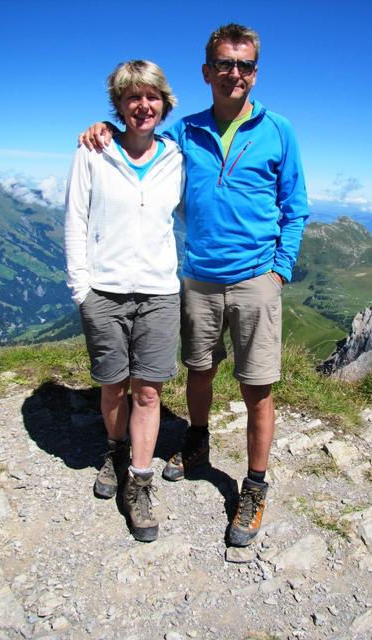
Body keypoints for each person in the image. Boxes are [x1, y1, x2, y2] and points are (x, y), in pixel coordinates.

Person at [80, 24, 309, 547]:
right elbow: (142, 140)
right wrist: (106, 128)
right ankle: (197, 442)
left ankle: (254, 486)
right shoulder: (185, 132)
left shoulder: (279, 131)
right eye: (224, 64)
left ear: (255, 73)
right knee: (198, 371)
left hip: (256, 278)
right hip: (199, 278)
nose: (234, 73)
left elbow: (295, 206)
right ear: (207, 71)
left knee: (257, 388)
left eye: (244, 65)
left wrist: (280, 269)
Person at [65, 60, 185, 543]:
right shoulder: (93, 151)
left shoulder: (177, 156)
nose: (143, 105)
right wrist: (82, 291)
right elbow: (75, 220)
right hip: (105, 291)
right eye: (132, 96)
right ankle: (114, 450)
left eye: (151, 96)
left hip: (159, 292)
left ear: (164, 103)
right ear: (118, 105)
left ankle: (139, 481)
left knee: (149, 392)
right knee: (113, 387)